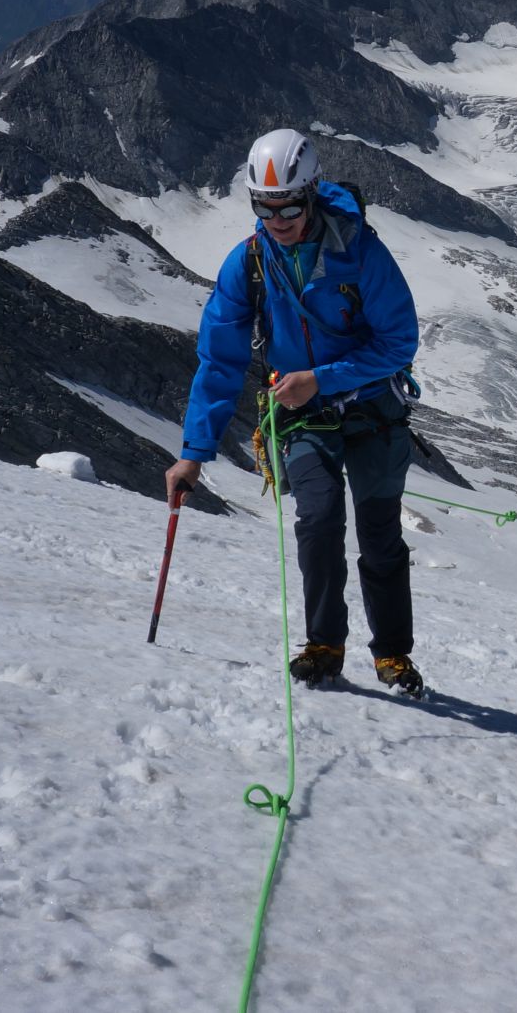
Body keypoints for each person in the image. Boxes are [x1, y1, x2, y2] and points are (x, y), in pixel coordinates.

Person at [164, 129, 426, 698]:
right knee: (320, 519)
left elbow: (399, 342)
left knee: (379, 533)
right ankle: (324, 644)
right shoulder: (249, 263)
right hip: (303, 416)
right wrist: (193, 454)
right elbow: (219, 360)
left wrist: (320, 380)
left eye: (288, 208)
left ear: (311, 195)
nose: (277, 220)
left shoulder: (360, 251)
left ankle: (392, 653)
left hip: (372, 408)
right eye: (265, 208)